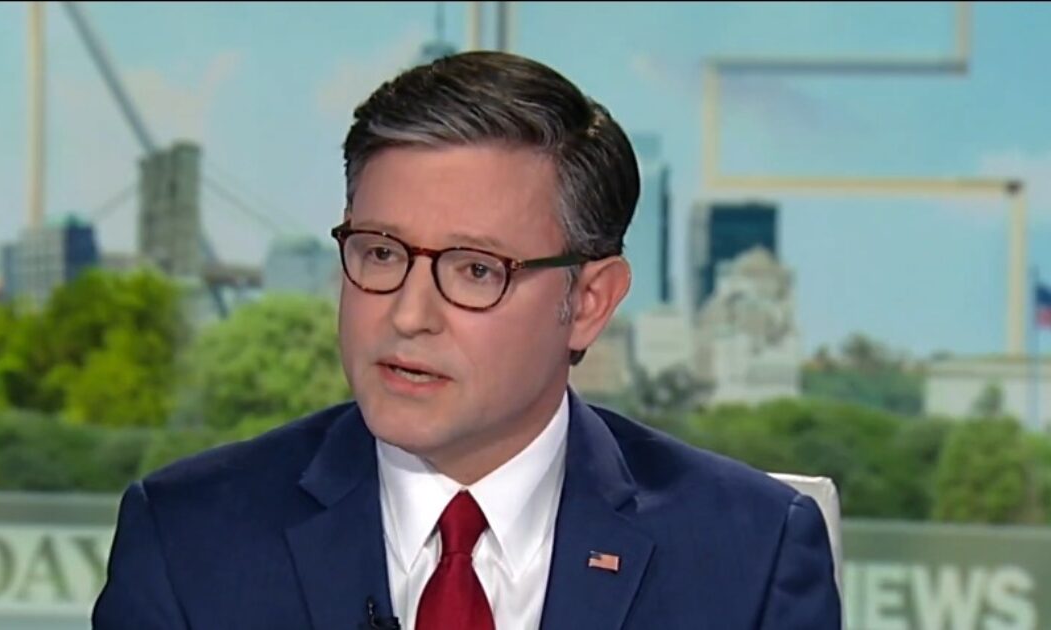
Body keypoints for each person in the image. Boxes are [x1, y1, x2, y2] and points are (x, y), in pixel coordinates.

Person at [92, 50, 841, 630]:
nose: (409, 314)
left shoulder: (748, 560)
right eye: (381, 253)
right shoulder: (188, 541)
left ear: (589, 302)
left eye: (476, 269)